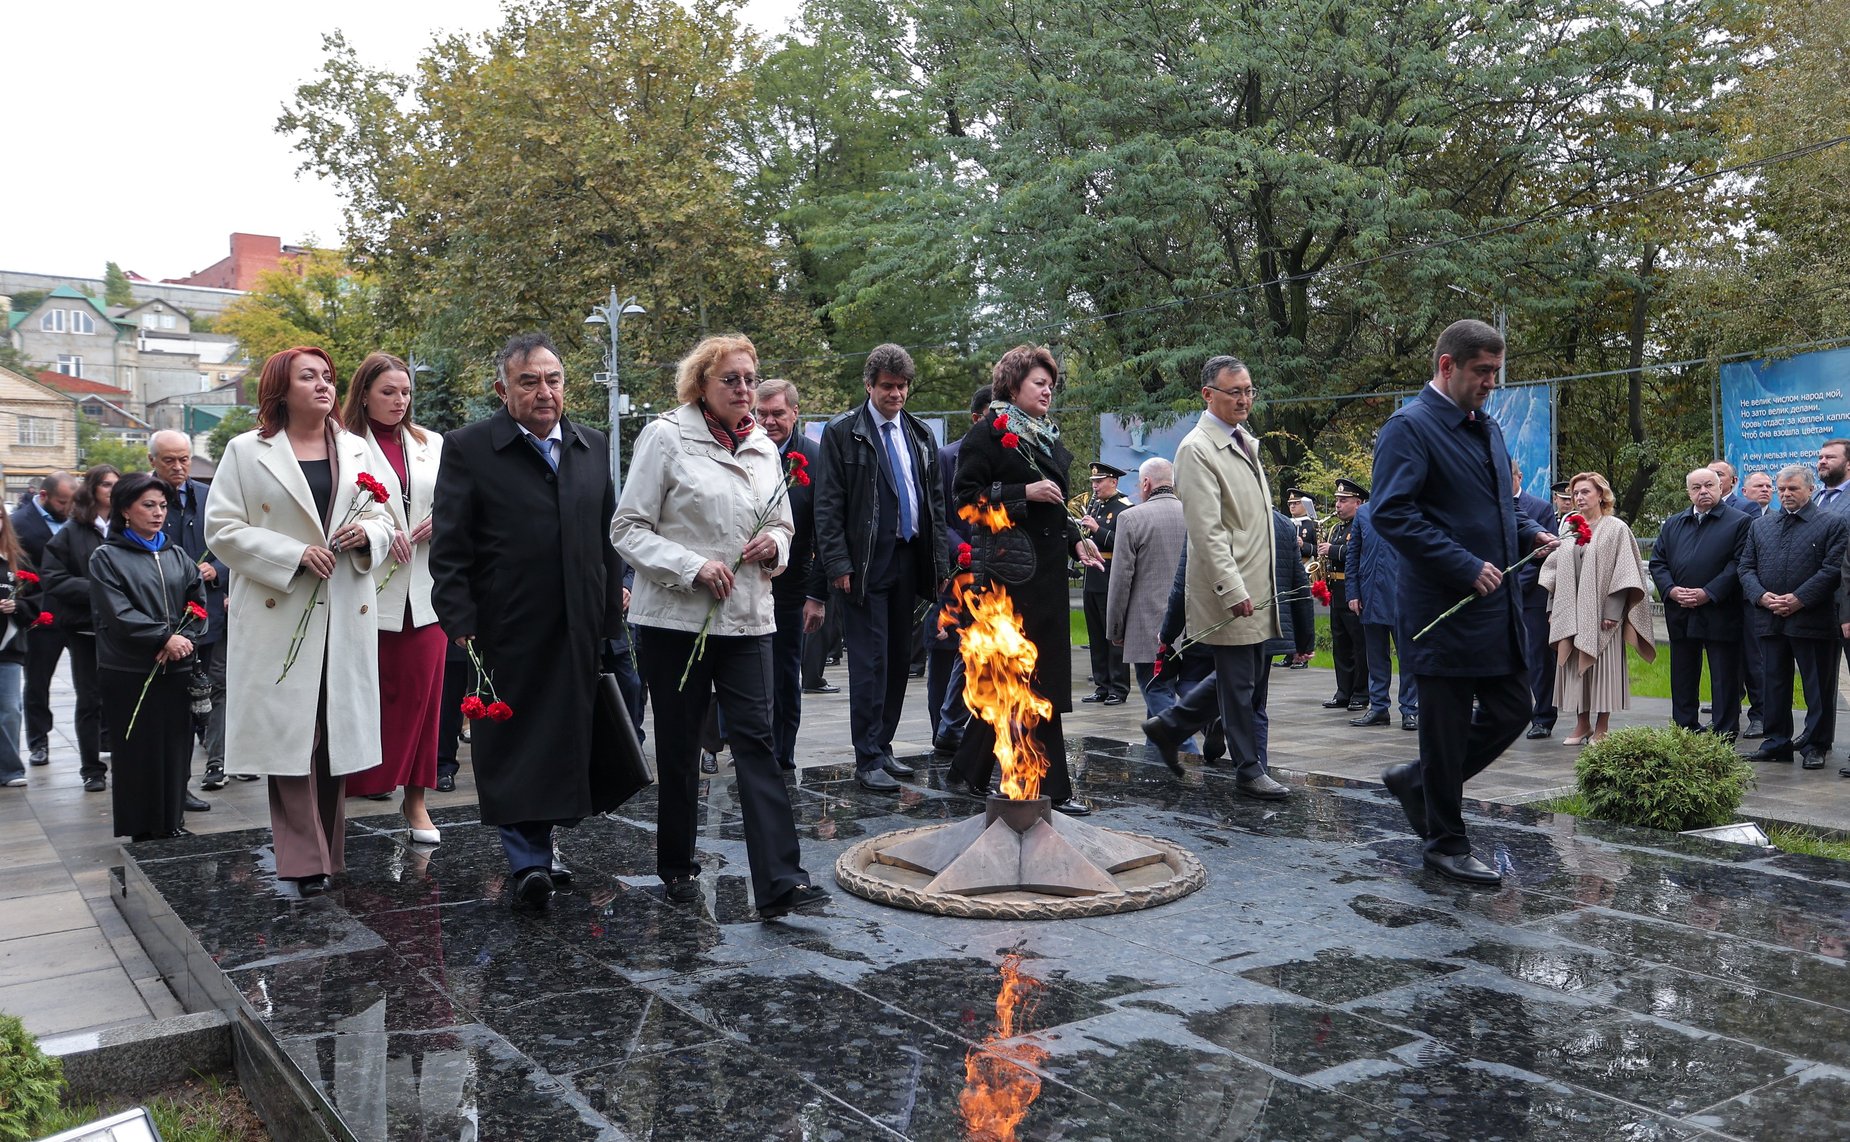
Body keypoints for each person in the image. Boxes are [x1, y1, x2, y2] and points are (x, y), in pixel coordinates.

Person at [611, 334, 826, 919]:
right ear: (701, 384)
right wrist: (692, 566)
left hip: (750, 620)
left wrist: (775, 546)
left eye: (750, 379)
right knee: (680, 746)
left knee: (757, 743)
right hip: (675, 621)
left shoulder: (763, 444)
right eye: (730, 379)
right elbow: (627, 528)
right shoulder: (665, 436)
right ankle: (677, 864)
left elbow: (782, 524)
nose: (744, 390)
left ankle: (782, 879)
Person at [431, 332, 628, 910]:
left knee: (566, 737)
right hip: (507, 624)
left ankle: (544, 847)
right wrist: (460, 617)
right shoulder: (470, 448)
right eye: (529, 381)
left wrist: (613, 597)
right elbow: (450, 545)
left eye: (554, 380)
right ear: (503, 389)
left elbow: (606, 533)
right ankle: (528, 861)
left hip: (580, 622)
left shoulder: (589, 445)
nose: (545, 392)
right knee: (515, 741)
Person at [1371, 319, 1555, 886]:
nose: (1491, 383)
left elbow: (1499, 506)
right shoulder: (1410, 427)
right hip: (1441, 611)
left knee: (1513, 711)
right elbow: (1392, 512)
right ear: (1447, 365)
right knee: (1445, 730)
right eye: (1482, 371)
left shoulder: (1487, 427)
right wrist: (1463, 565)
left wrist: (1528, 533)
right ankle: (1445, 843)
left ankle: (1420, 782)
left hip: (1494, 610)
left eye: (1497, 373)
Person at [206, 346, 392, 897]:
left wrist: (369, 537)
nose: (323, 384)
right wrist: (290, 555)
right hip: (278, 611)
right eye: (307, 376)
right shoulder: (246, 450)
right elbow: (221, 528)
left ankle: (327, 854)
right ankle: (304, 860)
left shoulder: (357, 448)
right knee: (291, 736)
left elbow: (386, 516)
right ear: (280, 389)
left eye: (328, 376)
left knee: (334, 736)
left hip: (343, 609)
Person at [943, 344, 1103, 812]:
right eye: (1039, 382)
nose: (1048, 390)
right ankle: (1053, 789)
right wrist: (1021, 492)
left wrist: (1077, 539)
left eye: (1051, 384)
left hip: (1046, 578)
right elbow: (965, 501)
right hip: (1008, 582)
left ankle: (965, 770)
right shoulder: (988, 435)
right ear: (1013, 387)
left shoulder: (1046, 438)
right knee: (1030, 679)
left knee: (1020, 680)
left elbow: (1055, 507)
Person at [1155, 354, 1292, 801]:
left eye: (1249, 390)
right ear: (1207, 394)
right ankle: (1249, 769)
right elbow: (1206, 531)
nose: (1244, 399)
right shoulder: (1196, 449)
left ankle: (1169, 727)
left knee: (1246, 674)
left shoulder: (1244, 441)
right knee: (1239, 682)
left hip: (1257, 583)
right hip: (1229, 586)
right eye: (1234, 391)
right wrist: (1231, 588)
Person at [813, 343, 947, 793]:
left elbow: (935, 504)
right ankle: (866, 755)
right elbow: (828, 505)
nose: (896, 394)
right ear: (869, 385)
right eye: (888, 386)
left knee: (896, 662)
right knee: (868, 663)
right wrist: (837, 563)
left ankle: (884, 747)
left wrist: (940, 562)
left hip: (910, 560)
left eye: (903, 386)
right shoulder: (843, 431)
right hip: (866, 564)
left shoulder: (920, 434)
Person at [340, 353, 447, 841]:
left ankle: (416, 802)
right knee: (361, 699)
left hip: (425, 593)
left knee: (425, 702)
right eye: (388, 391)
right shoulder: (342, 445)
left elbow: (461, 502)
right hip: (365, 588)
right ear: (364, 393)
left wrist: (444, 522)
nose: (399, 401)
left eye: (405, 392)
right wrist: (373, 531)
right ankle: (336, 799)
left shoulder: (432, 444)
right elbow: (335, 512)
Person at [90, 472, 207, 842]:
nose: (158, 513)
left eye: (162, 506)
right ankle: (141, 826)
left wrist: (183, 638)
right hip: (130, 668)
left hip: (176, 666)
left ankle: (171, 821)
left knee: (175, 747)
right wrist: (161, 637)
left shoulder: (176, 554)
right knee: (138, 749)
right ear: (125, 509)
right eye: (148, 505)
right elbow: (117, 613)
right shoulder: (107, 557)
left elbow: (197, 604)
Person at [1739, 464, 1847, 769]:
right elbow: (1746, 567)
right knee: (1773, 683)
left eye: (1793, 489)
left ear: (1810, 490)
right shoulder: (1761, 526)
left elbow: (1832, 570)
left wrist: (1799, 599)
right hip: (1770, 617)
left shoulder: (1832, 523)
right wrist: (1760, 595)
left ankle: (1816, 744)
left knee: (1818, 687)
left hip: (1813, 619)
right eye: (1782, 489)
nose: (1786, 494)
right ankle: (1776, 742)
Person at [1539, 471, 1655, 745]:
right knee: (1574, 669)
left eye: (1585, 492)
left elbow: (1625, 571)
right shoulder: (1571, 528)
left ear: (1601, 495)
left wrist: (1612, 613)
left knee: (1604, 671)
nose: (1578, 497)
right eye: (1575, 493)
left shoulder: (1615, 528)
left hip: (1604, 614)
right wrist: (1554, 609)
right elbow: (1557, 572)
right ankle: (1582, 725)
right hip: (1572, 612)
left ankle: (1602, 726)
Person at [748, 378, 826, 772]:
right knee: (743, 672)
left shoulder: (815, 456)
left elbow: (825, 531)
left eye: (778, 413)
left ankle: (783, 754)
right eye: (761, 413)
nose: (768, 421)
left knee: (784, 674)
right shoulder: (742, 450)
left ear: (796, 413)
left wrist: (818, 595)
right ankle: (739, 744)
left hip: (791, 589)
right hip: (743, 584)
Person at [149, 431, 230, 798]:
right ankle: (175, 782)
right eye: (169, 460)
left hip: (208, 610)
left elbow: (232, 542)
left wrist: (216, 569)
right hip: (163, 616)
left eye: (184, 459)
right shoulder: (141, 498)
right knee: (176, 694)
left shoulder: (208, 495)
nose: (179, 467)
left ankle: (217, 761)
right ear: (153, 461)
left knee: (215, 684)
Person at [1650, 467, 1750, 739]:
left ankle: (1725, 730)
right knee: (1682, 672)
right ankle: (1684, 726)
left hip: (1720, 610)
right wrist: (1670, 590)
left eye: (1709, 485)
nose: (1703, 491)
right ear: (1688, 492)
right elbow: (1658, 562)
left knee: (1724, 674)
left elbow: (1738, 563)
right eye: (1696, 487)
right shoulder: (1674, 523)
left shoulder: (1739, 521)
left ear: (1721, 488)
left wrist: (1708, 592)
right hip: (1681, 610)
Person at [40, 465, 120, 795]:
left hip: (122, 629)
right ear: (92, 488)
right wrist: (97, 589)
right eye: (105, 484)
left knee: (121, 697)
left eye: (117, 485)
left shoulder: (126, 524)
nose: (111, 490)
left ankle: (125, 759)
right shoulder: (73, 530)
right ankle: (92, 768)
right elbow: (53, 577)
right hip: (85, 629)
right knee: (89, 699)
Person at [927, 384, 991, 756]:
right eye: (990, 416)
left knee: (980, 652)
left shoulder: (1001, 457)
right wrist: (960, 549)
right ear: (975, 417)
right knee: (947, 651)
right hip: (956, 572)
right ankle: (943, 730)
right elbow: (938, 516)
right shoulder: (947, 457)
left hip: (994, 574)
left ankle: (967, 731)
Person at [1106, 457, 1187, 731]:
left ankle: (1181, 746)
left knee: (1156, 691)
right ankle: (1157, 762)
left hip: (1147, 628)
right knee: (1187, 691)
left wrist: (1116, 629)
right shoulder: (1195, 515)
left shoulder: (1131, 518)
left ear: (1145, 483)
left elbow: (1120, 581)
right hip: (1194, 627)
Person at [12, 471, 73, 769]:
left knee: (91, 683)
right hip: (42, 615)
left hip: (77, 613)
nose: (67, 508)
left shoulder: (77, 522)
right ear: (44, 496)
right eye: (62, 502)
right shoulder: (20, 523)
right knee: (37, 682)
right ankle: (38, 741)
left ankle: (102, 737)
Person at [1349, 493, 1419, 731]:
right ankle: (1378, 707)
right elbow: (1353, 555)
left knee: (1407, 656)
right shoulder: (1364, 512)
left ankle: (1411, 709)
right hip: (1370, 594)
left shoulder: (1412, 507)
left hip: (1404, 596)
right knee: (1376, 656)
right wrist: (1353, 593)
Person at [1079, 461, 1133, 705]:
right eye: (1093, 482)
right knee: (1096, 635)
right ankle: (1102, 685)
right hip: (1093, 576)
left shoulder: (1124, 508)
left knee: (1113, 633)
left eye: (1099, 481)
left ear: (1114, 481)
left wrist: (1097, 529)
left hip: (1111, 575)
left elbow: (1123, 543)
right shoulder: (1096, 506)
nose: (1095, 486)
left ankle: (1118, 688)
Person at [1512, 461, 1559, 739]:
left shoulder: (1539, 508)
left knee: (1538, 658)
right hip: (1495, 595)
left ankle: (1543, 716)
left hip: (1531, 595)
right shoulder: (1489, 506)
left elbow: (1548, 553)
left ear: (1520, 477)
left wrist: (1515, 584)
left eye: (1509, 477)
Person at [0, 509, 42, 790]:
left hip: (8, 648)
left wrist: (18, 606)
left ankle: (10, 768)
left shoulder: (17, 561)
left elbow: (38, 601)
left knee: (10, 710)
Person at [1319, 478, 1369, 711]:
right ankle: (1344, 691)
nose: (1338, 505)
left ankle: (1360, 692)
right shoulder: (1335, 528)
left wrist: (1333, 551)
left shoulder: (1363, 524)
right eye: (1337, 500)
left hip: (1355, 589)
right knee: (1341, 644)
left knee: (1359, 644)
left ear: (1358, 503)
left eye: (1343, 501)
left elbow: (1360, 552)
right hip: (1337, 591)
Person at [1738, 468, 1774, 738]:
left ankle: (1761, 714)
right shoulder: (1736, 519)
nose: (1766, 490)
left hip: (1763, 601)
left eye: (1769, 486)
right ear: (1744, 492)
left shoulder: (1777, 520)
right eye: (1759, 486)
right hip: (1731, 600)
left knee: (1758, 660)